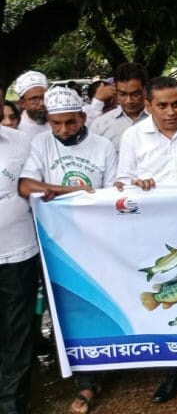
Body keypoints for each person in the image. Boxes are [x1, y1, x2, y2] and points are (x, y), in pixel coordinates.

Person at [18, 87, 117, 414]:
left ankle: (107, 365)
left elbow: (114, 193)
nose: (63, 130)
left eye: (70, 123)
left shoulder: (103, 147)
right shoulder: (40, 144)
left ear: (83, 117)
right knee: (66, 312)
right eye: (56, 123)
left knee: (99, 305)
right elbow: (26, 185)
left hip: (99, 242)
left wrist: (61, 194)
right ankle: (85, 383)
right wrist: (69, 190)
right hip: (56, 247)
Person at [115, 76, 177, 404]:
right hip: (155, 233)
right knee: (166, 291)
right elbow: (121, 183)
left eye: (176, 104)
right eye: (162, 105)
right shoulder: (133, 137)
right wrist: (134, 185)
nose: (171, 111)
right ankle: (174, 367)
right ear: (148, 106)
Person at [0, 87, 38, 414]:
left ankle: (12, 402)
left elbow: (36, 183)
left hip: (18, 253)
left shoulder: (19, 141)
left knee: (19, 331)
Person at [90, 63, 149, 154]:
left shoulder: (159, 120)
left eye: (136, 94)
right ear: (115, 91)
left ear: (145, 91)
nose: (129, 101)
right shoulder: (100, 125)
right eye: (123, 94)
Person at [14, 71, 50, 137]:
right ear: (22, 103)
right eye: (34, 99)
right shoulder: (17, 127)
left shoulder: (59, 121)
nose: (42, 103)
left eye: (44, 97)